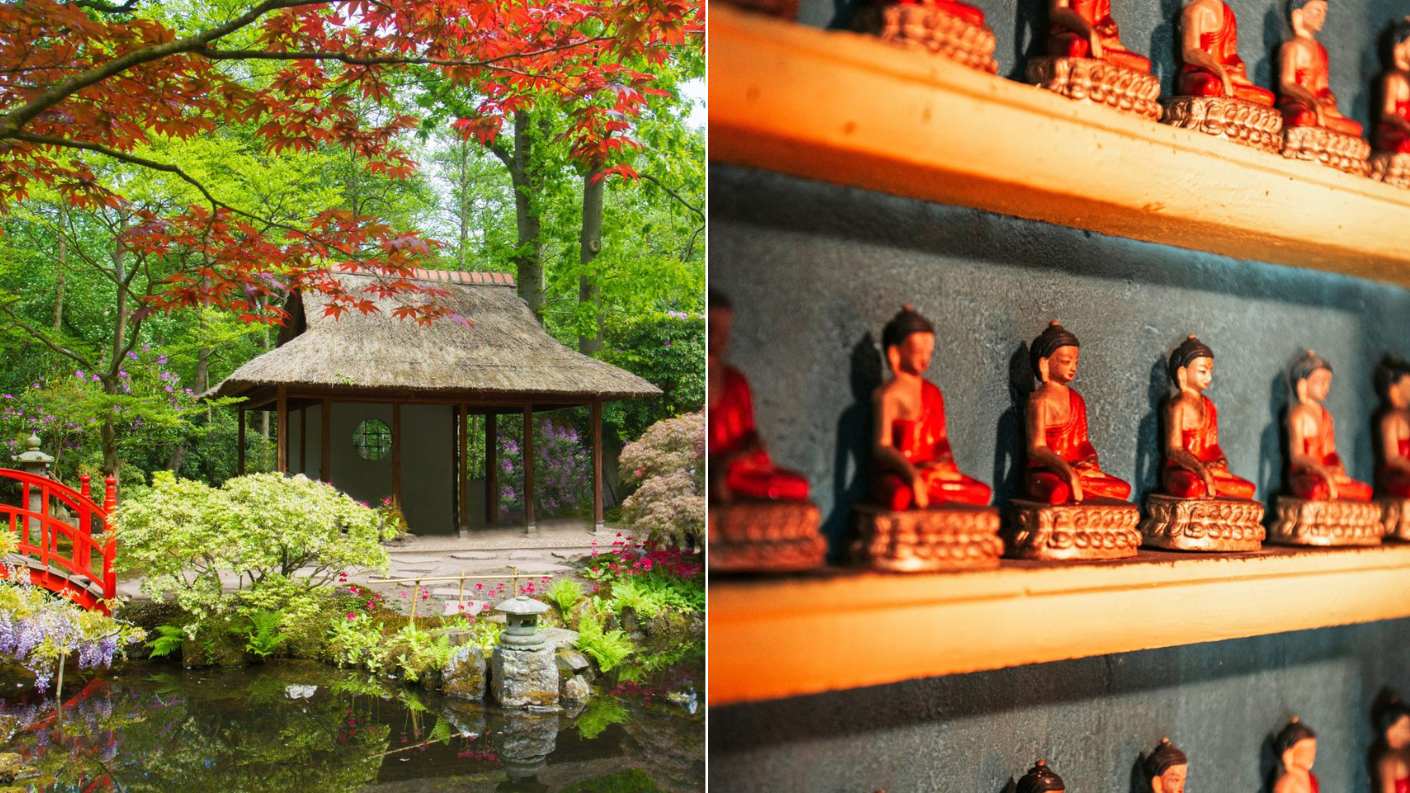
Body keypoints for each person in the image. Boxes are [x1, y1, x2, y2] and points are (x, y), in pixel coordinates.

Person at [871, 305, 991, 510]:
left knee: (983, 492)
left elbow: (940, 442)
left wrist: (944, 465)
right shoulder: (887, 394)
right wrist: (912, 476)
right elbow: (882, 447)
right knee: (899, 495)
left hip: (930, 475)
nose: (925, 357)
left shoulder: (932, 392)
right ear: (895, 353)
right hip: (899, 474)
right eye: (918, 351)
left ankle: (926, 488)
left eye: (929, 352)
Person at [707, 289, 810, 503]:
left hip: (736, 468)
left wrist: (751, 450)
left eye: (725, 331)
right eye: (711, 328)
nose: (719, 338)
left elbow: (749, 433)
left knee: (799, 485)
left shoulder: (736, 381)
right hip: (708, 468)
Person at [1025, 321, 1131, 504]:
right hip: (1047, 472)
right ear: (1044, 364)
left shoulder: (1076, 399)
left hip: (1076, 470)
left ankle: (1079, 488)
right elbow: (1036, 448)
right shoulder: (1038, 401)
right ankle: (1074, 488)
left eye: (1076, 362)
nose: (1073, 367)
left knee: (1123, 488)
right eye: (1066, 362)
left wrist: (1089, 461)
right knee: (1058, 492)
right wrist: (1067, 472)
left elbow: (1082, 442)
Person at [1160, 335, 1256, 500]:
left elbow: (1212, 445)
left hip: (1207, 470)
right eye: (1203, 371)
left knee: (1248, 489)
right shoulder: (1176, 406)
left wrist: (1220, 461)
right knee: (1193, 487)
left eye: (1210, 371)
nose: (1209, 377)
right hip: (1182, 471)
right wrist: (1200, 470)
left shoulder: (1209, 405)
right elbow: (1173, 450)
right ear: (1183, 372)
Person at [1286, 350, 1372, 501]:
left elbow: (1330, 451)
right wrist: (1323, 473)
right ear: (1302, 385)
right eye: (1320, 381)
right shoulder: (1298, 415)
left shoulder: (1325, 415)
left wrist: (1338, 466)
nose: (1326, 387)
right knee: (1319, 489)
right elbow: (1297, 456)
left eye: (1328, 382)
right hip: (1305, 475)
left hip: (1326, 473)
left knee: (1365, 490)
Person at [1277, 0, 1363, 137]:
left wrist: (1328, 97)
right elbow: (1286, 84)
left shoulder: (1321, 50)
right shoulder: (1291, 47)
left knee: (1355, 128)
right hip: (1296, 103)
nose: (1322, 17)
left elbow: (1322, 87)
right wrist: (1312, 101)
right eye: (1317, 12)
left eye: (1324, 13)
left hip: (1318, 107)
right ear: (1298, 14)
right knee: (1304, 117)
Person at [1176, 0, 1275, 105]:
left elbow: (1230, 53)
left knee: (1267, 97)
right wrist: (1220, 71)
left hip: (1225, 75)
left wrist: (1238, 65)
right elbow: (1190, 53)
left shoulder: (1227, 12)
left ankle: (1231, 96)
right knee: (1209, 85)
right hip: (1198, 73)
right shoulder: (1193, 10)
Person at [1375, 354, 1410, 498]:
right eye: (1407, 384)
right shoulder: (1389, 420)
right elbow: (1392, 457)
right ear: (1393, 389)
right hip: (1397, 474)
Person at [1273, 718, 1319, 793]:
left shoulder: (1311, 779)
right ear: (1289, 753)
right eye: (1306, 751)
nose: (1311, 756)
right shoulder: (1289, 781)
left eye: (1313, 751)